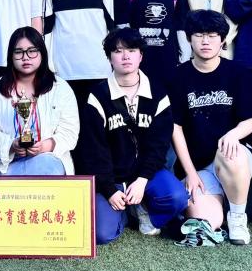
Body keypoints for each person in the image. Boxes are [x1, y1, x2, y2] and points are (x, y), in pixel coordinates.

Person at [77, 29, 198, 245]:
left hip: (147, 177)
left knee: (178, 198)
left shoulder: (158, 94)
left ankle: (143, 207)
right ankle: (127, 212)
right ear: (109, 58)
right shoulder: (97, 96)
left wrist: (142, 180)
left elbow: (159, 146)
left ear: (141, 56)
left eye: (132, 50)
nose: (125, 56)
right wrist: (109, 190)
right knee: (102, 234)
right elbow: (94, 152)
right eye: (118, 51)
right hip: (112, 179)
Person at [167, 11, 252, 244]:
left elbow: (250, 120)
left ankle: (237, 217)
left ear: (223, 40)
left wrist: (233, 135)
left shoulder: (238, 73)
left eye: (212, 35)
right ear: (189, 39)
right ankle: (226, 203)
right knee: (208, 221)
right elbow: (175, 127)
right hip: (199, 165)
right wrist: (189, 172)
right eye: (199, 35)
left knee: (230, 152)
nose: (205, 41)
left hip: (233, 159)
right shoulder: (178, 76)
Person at [0, 28, 79, 175]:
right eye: (19, 52)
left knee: (46, 169)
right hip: (9, 164)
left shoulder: (60, 88)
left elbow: (70, 131)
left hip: (49, 160)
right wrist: (11, 145)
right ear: (11, 55)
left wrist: (47, 145)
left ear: (42, 53)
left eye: (32, 51)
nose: (25, 57)